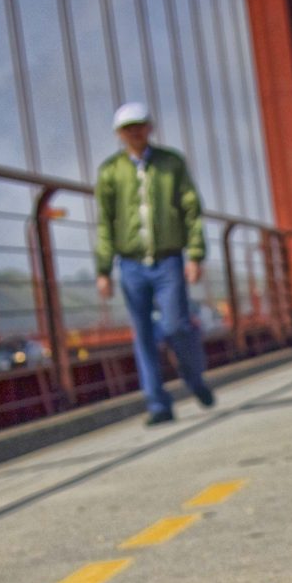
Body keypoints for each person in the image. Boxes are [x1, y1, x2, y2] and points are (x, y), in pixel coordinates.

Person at [94, 101, 215, 425]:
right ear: (119, 134)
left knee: (177, 325)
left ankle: (194, 379)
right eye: (128, 127)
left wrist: (195, 254)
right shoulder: (110, 171)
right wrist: (103, 269)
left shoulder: (171, 163)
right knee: (143, 334)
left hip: (168, 261)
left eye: (140, 124)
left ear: (150, 127)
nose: (135, 131)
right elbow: (105, 222)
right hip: (130, 264)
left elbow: (191, 209)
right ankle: (158, 404)